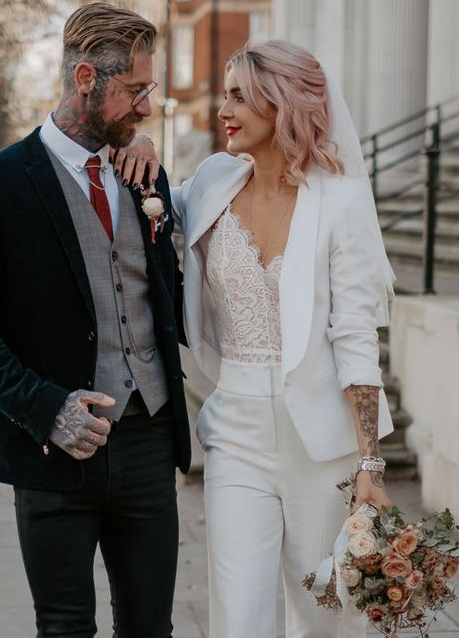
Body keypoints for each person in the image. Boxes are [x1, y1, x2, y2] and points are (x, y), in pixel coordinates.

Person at [118, 40, 396, 637]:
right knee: (237, 617)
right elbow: (157, 204)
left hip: (321, 444)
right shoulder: (216, 179)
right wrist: (135, 144)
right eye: (226, 94)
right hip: (236, 432)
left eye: (240, 96)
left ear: (284, 105)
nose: (225, 109)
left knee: (322, 615)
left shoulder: (340, 200)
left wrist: (370, 459)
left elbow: (354, 335)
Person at [0, 2, 189, 638]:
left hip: (147, 441)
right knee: (64, 626)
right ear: (86, 79)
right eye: (135, 91)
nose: (147, 107)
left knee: (150, 627)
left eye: (149, 90)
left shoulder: (141, 173)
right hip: (52, 448)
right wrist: (45, 407)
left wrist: (143, 148)